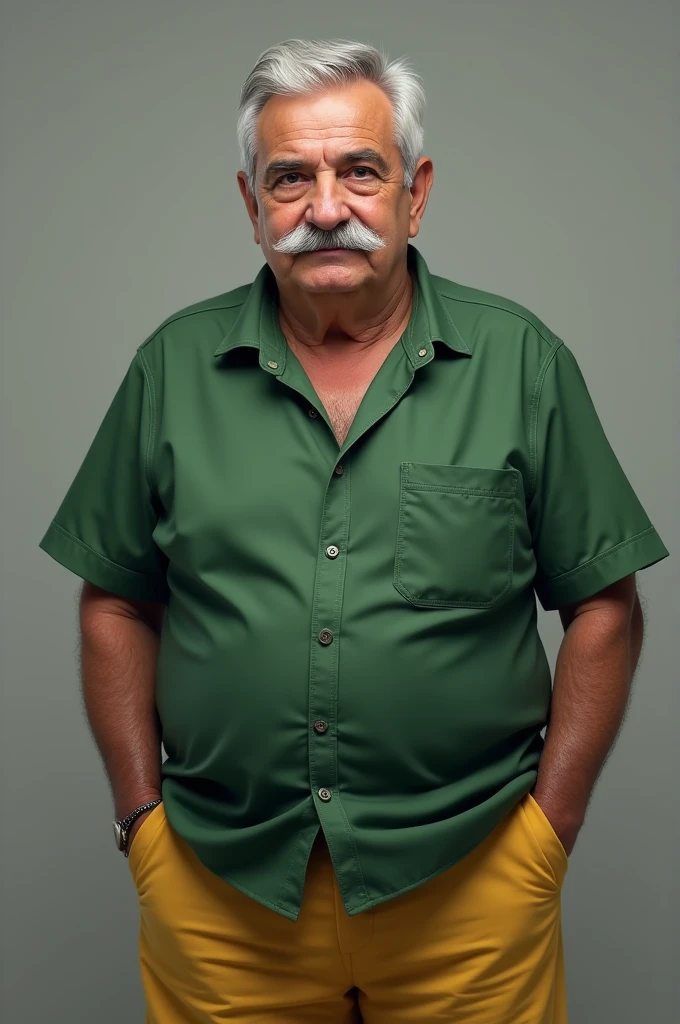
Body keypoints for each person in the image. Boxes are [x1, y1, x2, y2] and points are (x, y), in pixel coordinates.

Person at [38, 37, 669, 1024]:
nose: (324, 208)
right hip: (221, 890)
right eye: (288, 179)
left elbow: (603, 603)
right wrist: (141, 825)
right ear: (251, 207)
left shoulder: (520, 363)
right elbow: (114, 596)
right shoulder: (170, 368)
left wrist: (549, 831)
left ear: (413, 194)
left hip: (470, 888)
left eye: (358, 172)